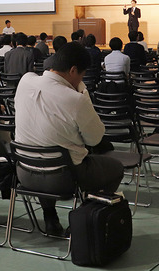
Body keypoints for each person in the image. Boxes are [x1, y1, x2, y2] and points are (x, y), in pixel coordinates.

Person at [14, 42, 125, 235]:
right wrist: (83, 94)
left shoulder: (25, 81)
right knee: (115, 168)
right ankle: (81, 222)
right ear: (73, 70)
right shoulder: (76, 99)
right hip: (63, 178)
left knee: (42, 149)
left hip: (24, 173)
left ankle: (50, 217)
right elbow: (95, 139)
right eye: (81, 75)